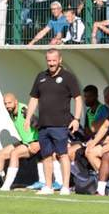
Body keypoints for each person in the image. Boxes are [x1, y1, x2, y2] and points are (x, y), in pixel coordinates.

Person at [24, 48, 82, 196]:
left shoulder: (68, 77)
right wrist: (28, 117)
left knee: (63, 155)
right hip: (43, 125)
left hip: (61, 125)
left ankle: (65, 187)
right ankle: (48, 186)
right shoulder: (41, 77)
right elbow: (34, 98)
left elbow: (78, 99)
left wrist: (76, 119)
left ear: (60, 60)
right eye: (49, 61)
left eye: (54, 60)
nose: (51, 63)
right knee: (46, 156)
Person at [0, 93, 41, 190]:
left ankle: (6, 186)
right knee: (1, 154)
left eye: (9, 103)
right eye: (5, 103)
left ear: (16, 102)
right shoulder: (11, 112)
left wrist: (38, 143)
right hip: (25, 141)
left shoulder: (24, 111)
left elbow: (39, 126)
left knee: (15, 153)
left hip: (35, 142)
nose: (7, 106)